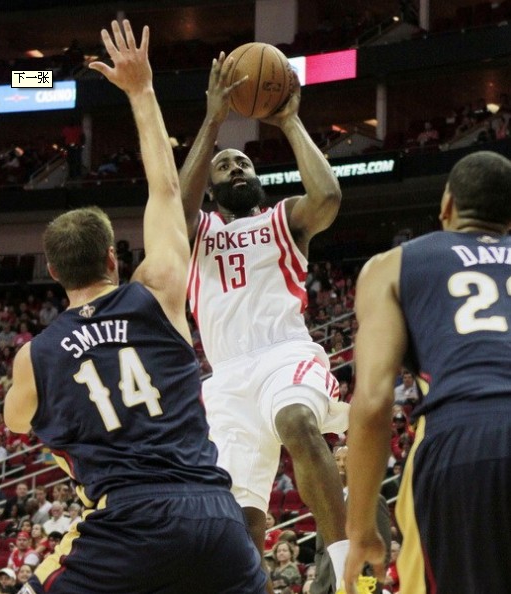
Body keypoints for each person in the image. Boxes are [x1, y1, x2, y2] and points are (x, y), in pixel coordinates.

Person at [3, 20, 265, 594]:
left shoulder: (35, 356)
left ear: (53, 273)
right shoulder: (158, 291)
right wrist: (142, 91)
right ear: (113, 258)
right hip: (213, 515)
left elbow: (17, 422)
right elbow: (167, 191)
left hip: (125, 525)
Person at [179, 50, 349, 592]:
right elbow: (174, 207)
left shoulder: (284, 218)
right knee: (240, 517)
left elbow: (328, 196)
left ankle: (348, 572)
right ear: (212, 188)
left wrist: (289, 121)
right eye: (225, 166)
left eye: (244, 164)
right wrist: (213, 121)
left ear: (258, 177)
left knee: (296, 421)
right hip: (226, 377)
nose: (236, 168)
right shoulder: (197, 232)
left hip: (284, 353)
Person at [344, 151, 511, 594]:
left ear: (447, 205)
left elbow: (373, 402)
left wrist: (360, 529)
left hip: (463, 440)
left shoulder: (391, 266)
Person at [312, 446, 391, 594]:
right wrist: (320, 579)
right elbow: (320, 550)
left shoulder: (373, 501)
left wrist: (370, 587)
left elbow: (383, 551)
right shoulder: (326, 502)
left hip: (360, 586)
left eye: (347, 460)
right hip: (326, 588)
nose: (341, 464)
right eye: (337, 460)